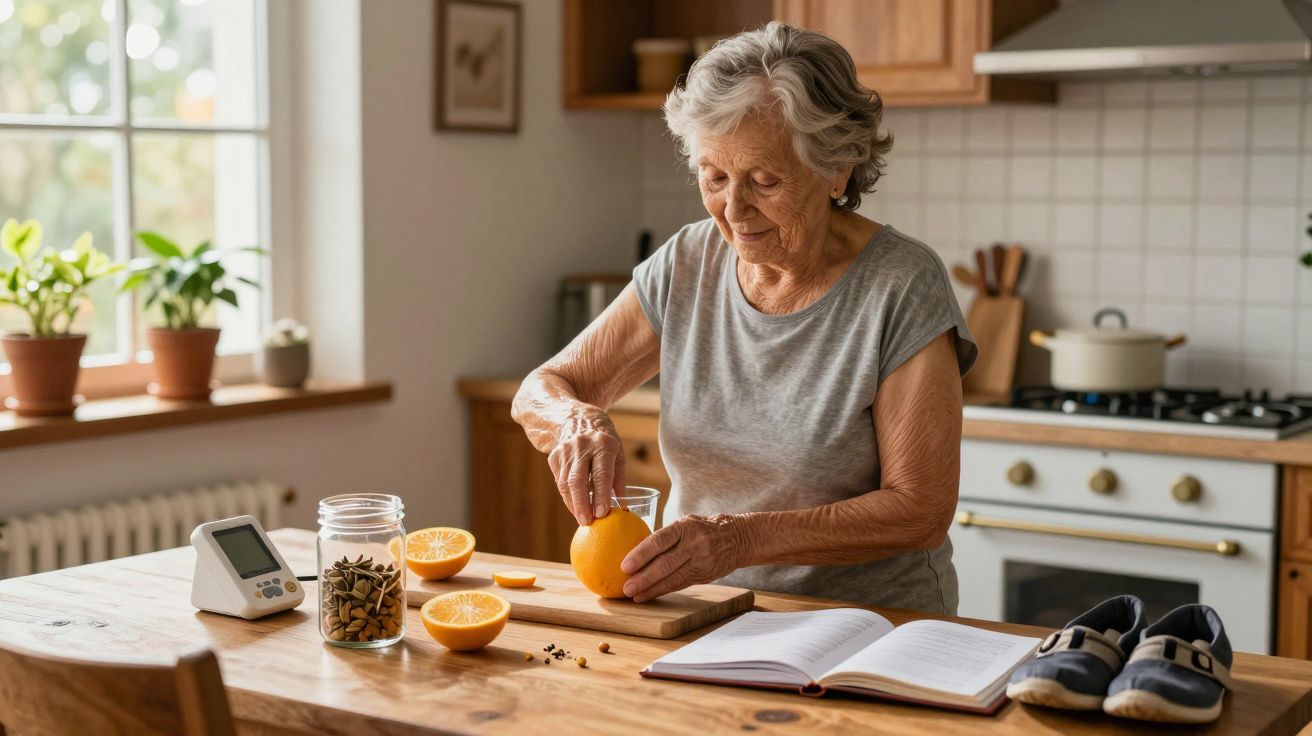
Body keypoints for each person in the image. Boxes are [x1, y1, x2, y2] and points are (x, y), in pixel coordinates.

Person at [512, 21, 976, 613]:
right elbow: (541, 389)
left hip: (868, 628)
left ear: (837, 170)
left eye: (764, 180)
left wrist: (740, 540)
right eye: (714, 177)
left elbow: (920, 511)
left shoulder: (901, 284)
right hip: (705, 615)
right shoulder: (688, 261)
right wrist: (575, 419)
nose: (733, 210)